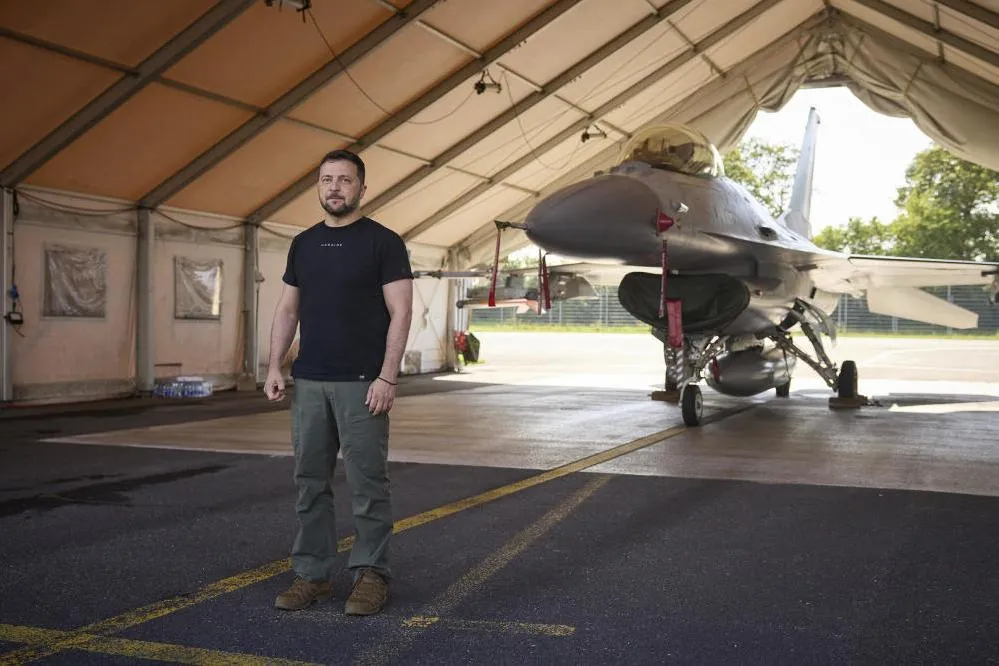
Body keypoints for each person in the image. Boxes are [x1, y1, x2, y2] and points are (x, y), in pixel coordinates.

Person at [263, 148, 413, 616]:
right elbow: (287, 309)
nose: (335, 188)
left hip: (364, 383)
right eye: (327, 179)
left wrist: (387, 376)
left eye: (345, 180)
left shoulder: (383, 243)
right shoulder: (303, 244)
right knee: (310, 482)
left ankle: (371, 574)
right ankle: (312, 574)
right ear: (318, 186)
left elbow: (401, 311)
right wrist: (274, 366)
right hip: (309, 381)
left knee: (368, 483)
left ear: (362, 188)